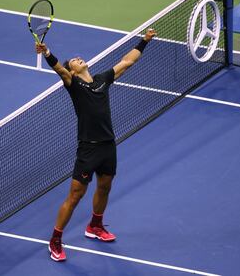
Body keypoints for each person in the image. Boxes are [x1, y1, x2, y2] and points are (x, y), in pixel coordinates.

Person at [35, 29, 157, 262]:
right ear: (73, 70)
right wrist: (48, 52)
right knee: (75, 195)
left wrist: (145, 41)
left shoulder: (102, 80)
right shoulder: (72, 83)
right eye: (74, 61)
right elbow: (58, 69)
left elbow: (127, 62)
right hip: (88, 149)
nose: (78, 58)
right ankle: (55, 240)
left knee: (105, 186)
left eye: (78, 58)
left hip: (108, 145)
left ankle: (95, 226)